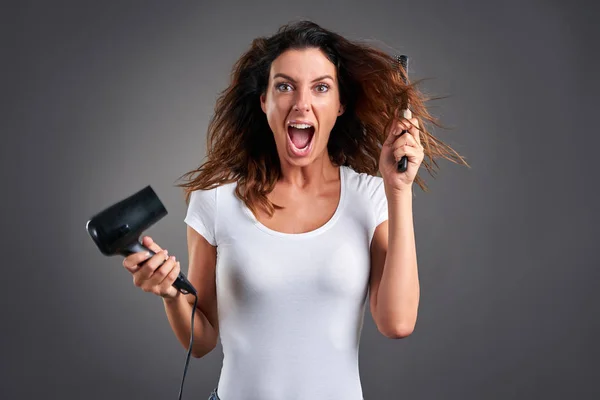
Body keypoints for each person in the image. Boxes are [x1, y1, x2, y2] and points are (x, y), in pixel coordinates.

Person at [122, 20, 468, 400]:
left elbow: (397, 322)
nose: (302, 103)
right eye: (285, 86)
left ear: (339, 105)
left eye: (320, 88)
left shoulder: (371, 196)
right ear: (264, 101)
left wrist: (398, 190)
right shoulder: (216, 201)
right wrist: (171, 295)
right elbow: (202, 341)